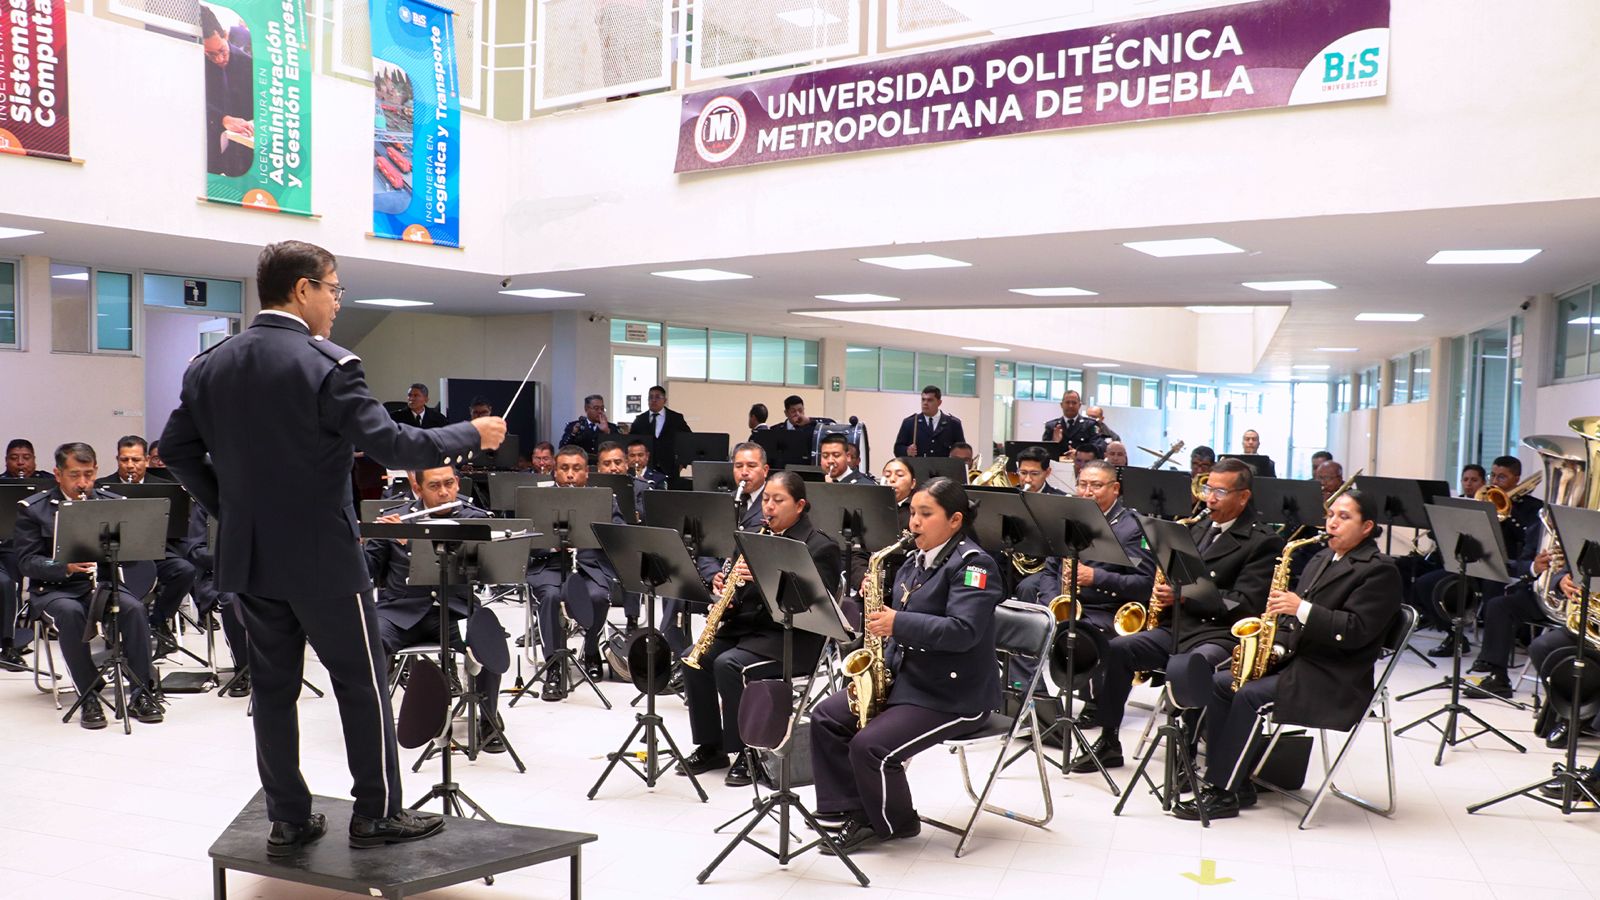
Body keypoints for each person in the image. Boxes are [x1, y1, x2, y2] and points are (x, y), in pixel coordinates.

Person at [161, 239, 506, 855]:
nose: (337, 302)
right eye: (334, 289)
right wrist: (470, 433)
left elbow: (177, 451)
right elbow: (392, 445)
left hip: (249, 554)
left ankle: (289, 818)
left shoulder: (209, 365)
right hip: (322, 555)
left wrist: (230, 510)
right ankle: (377, 813)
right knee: (361, 682)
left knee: (273, 689)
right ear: (303, 289)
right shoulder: (327, 364)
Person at [1174, 490, 1400, 820]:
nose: (1332, 523)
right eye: (1330, 515)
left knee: (1249, 696)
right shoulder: (1322, 558)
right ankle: (1237, 782)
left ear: (1367, 527)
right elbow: (1288, 618)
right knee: (1223, 683)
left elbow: (1354, 630)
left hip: (1335, 677)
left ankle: (1222, 792)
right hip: (1299, 662)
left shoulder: (1380, 571)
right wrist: (1274, 647)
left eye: (1344, 517)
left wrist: (1302, 608)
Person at [810, 477, 1001, 852]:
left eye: (926, 514)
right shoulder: (915, 560)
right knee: (826, 717)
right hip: (908, 678)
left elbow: (963, 631)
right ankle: (846, 807)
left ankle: (892, 822)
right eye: (912, 512)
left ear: (955, 520)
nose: (914, 522)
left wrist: (897, 622)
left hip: (953, 693)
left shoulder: (974, 565)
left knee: (870, 746)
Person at [1072, 459, 1284, 773]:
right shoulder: (1196, 527)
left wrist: (1184, 595)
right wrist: (1166, 592)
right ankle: (1109, 739)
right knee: (1118, 649)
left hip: (1221, 634)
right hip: (1179, 626)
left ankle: (1188, 752)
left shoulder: (1263, 541)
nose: (1210, 499)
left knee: (1189, 666)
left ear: (1243, 497)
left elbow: (1245, 603)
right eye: (1208, 489)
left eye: (1220, 492)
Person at [678, 471, 841, 787]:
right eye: (766, 499)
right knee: (693, 659)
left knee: (729, 665)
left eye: (778, 500)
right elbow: (741, 597)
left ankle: (748, 753)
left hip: (792, 638)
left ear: (800, 505)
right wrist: (728, 594)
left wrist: (766, 578)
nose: (769, 506)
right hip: (747, 630)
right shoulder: (753, 536)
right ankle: (711, 746)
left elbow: (814, 606)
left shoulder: (820, 546)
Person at [16, 442, 166, 729]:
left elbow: (132, 552)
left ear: (96, 470)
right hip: (54, 589)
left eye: (88, 474)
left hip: (103, 585)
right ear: (58, 474)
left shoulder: (112, 504)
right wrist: (64, 566)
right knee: (71, 613)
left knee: (134, 609)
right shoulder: (34, 510)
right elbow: (25, 562)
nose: (83, 483)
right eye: (74, 475)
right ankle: (88, 695)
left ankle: (141, 693)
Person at [367, 466, 508, 753]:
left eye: (449, 484)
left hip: (455, 610)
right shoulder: (396, 519)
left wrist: (414, 541)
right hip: (399, 611)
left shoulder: (474, 520)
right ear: (417, 489)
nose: (444, 493)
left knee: (487, 637)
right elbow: (366, 570)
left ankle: (488, 717)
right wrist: (366, 539)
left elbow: (491, 571)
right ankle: (373, 720)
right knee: (371, 642)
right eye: (434, 486)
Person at [526, 445, 626, 700]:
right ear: (554, 471)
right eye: (564, 468)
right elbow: (525, 538)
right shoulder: (538, 498)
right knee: (551, 597)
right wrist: (550, 544)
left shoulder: (603, 498)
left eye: (576, 468)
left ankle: (591, 649)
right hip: (548, 566)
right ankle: (553, 665)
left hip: (589, 566)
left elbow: (619, 533)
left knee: (598, 597)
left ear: (587, 472)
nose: (570, 474)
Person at [97, 435, 196, 658]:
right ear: (117, 459)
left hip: (156, 552)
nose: (130, 465)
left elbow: (177, 531)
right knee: (110, 578)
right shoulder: (101, 487)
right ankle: (113, 625)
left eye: (136, 460)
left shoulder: (165, 487)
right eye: (124, 460)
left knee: (185, 570)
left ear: (146, 460)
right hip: (116, 557)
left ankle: (157, 622)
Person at [178, 503, 252, 697]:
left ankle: (275, 665)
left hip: (256, 573)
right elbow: (195, 550)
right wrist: (231, 557)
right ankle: (243, 667)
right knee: (232, 600)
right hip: (219, 576)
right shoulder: (204, 505)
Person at [202, 5, 254, 178]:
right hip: (209, 150)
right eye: (210, 54)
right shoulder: (198, 63)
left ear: (225, 35)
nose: (219, 59)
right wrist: (222, 119)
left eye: (221, 51)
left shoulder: (249, 65)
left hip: (242, 154)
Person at [628, 385, 692, 474]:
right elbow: (631, 442)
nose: (653, 400)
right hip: (646, 468)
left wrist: (682, 464)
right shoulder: (640, 420)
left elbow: (688, 440)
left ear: (664, 400)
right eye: (651, 397)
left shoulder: (676, 418)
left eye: (657, 397)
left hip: (670, 468)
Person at [893, 385, 966, 457]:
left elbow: (963, 451)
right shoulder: (910, 423)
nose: (925, 403)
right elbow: (897, 449)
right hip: (918, 464)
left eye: (930, 400)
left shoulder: (953, 424)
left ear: (939, 402)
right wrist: (906, 451)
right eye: (923, 399)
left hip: (944, 465)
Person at [596, 441, 650, 520]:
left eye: (618, 463)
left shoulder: (642, 487)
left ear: (626, 464)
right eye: (607, 464)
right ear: (598, 467)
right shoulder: (591, 487)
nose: (613, 468)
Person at [558, 394, 622, 460]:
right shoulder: (575, 426)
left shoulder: (611, 427)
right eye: (596, 408)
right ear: (586, 409)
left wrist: (607, 432)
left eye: (602, 408)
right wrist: (573, 434)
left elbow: (620, 449)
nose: (600, 411)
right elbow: (562, 447)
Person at [1042, 390, 1105, 455]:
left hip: (1082, 461)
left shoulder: (1090, 425)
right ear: (1061, 405)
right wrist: (1054, 442)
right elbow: (1044, 452)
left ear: (1079, 405)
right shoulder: (1052, 426)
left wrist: (1080, 453)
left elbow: (1099, 448)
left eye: (1074, 403)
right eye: (1067, 402)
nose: (1071, 406)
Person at [778, 395, 834, 463]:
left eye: (800, 410)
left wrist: (809, 421)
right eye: (793, 411)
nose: (797, 414)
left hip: (807, 466)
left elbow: (832, 423)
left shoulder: (811, 426)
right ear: (786, 413)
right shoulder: (777, 429)